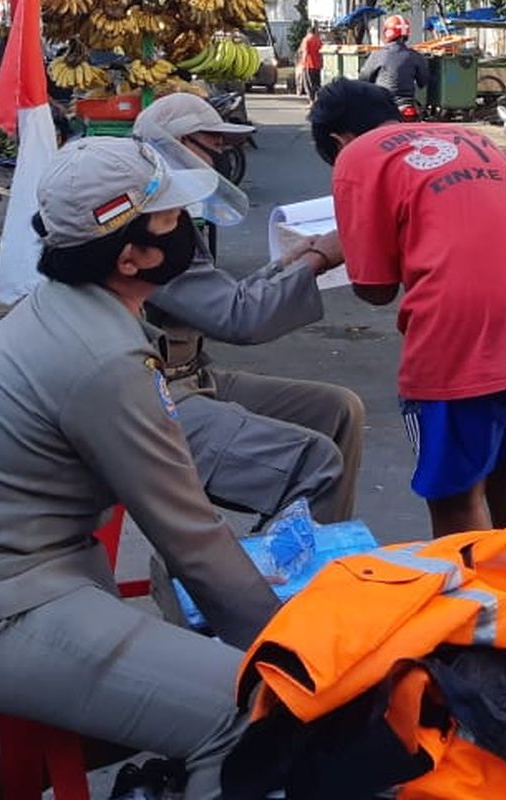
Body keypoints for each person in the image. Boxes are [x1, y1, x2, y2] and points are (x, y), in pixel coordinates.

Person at [0, 137, 282, 800]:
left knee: (187, 684)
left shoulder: (64, 311)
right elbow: (192, 540)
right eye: (171, 223)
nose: (187, 232)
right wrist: (294, 653)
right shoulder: (103, 361)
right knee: (256, 710)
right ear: (131, 258)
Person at [309, 79, 506, 539]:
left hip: (465, 327)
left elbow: (374, 289)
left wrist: (338, 248)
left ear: (339, 141)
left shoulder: (357, 157)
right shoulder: (471, 138)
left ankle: (478, 611)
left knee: (456, 498)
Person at [132, 92, 364, 527]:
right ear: (174, 144)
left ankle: (308, 551)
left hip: (191, 377)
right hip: (151, 397)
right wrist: (319, 259)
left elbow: (220, 297)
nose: (219, 160)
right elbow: (237, 319)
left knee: (340, 409)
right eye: (212, 146)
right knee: (314, 460)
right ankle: (289, 582)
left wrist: (289, 262)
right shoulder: (148, 221)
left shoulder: (175, 215)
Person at [358, 15, 429, 105]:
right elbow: (423, 82)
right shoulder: (415, 56)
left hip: (383, 103)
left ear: (387, 32)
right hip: (408, 104)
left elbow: (364, 78)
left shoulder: (378, 55)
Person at [298, 24, 324, 105]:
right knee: (317, 83)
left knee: (309, 84)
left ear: (308, 32)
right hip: (317, 65)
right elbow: (321, 53)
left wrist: (302, 64)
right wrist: (321, 63)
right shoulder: (318, 40)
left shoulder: (306, 40)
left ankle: (312, 101)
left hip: (308, 65)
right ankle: (319, 99)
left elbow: (305, 52)